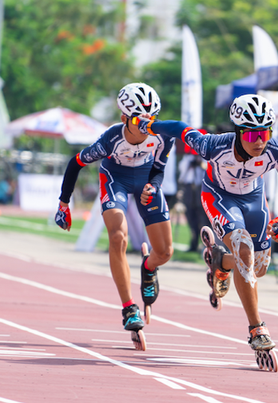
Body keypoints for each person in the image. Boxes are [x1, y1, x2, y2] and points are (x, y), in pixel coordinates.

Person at [134, 94, 278, 370]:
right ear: (238, 132)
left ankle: (221, 263)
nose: (260, 140)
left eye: (266, 132)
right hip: (219, 196)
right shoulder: (214, 145)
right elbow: (179, 128)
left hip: (254, 198)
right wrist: (150, 126)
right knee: (243, 247)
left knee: (258, 269)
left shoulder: (276, 150)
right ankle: (257, 330)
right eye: (253, 134)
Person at [55, 83, 175, 348]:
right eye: (138, 120)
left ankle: (149, 267)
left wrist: (152, 187)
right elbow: (75, 163)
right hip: (116, 180)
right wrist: (64, 203)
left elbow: (159, 169)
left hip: (145, 179)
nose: (146, 125)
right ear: (124, 118)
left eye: (151, 119)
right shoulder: (111, 138)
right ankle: (129, 307)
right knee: (118, 236)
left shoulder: (163, 135)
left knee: (166, 251)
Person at [178, 143, 208, 252]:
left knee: (203, 217)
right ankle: (194, 242)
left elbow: (207, 170)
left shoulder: (205, 156)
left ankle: (206, 243)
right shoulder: (187, 157)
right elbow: (182, 173)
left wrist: (200, 163)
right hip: (189, 188)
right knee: (191, 216)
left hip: (201, 187)